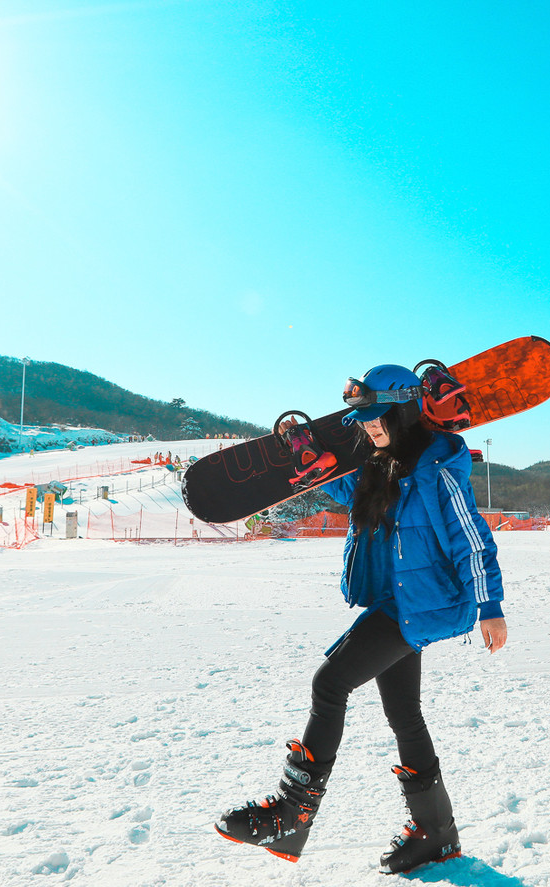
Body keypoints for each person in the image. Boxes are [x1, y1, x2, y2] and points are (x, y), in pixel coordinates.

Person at [216, 365, 506, 874]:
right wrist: (318, 467)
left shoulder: (439, 468)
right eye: (364, 418)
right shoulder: (380, 464)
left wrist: (490, 606)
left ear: (405, 412)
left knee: (330, 684)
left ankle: (291, 813)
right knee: (404, 714)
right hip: (397, 599)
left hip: (423, 603)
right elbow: (355, 497)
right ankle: (436, 833)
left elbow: (471, 537)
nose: (370, 425)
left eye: (379, 416)